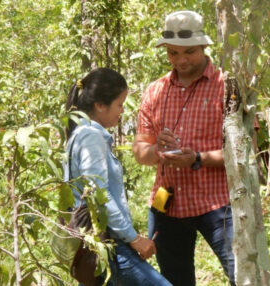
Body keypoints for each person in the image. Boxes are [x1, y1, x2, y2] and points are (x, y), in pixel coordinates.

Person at [132, 11, 234, 286]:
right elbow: (140, 150)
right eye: (173, 53)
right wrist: (157, 153)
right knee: (174, 281)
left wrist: (198, 159)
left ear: (204, 47)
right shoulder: (155, 91)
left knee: (243, 276)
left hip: (218, 204)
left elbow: (244, 153)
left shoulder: (229, 88)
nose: (181, 60)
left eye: (189, 52)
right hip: (167, 205)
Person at [64, 68, 170, 285]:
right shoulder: (91, 137)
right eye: (119, 104)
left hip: (99, 241)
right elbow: (98, 194)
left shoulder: (81, 133)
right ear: (100, 105)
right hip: (109, 242)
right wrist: (134, 239)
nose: (122, 111)